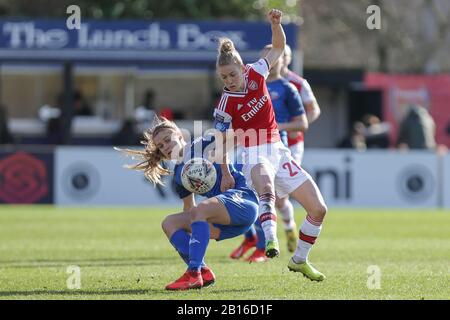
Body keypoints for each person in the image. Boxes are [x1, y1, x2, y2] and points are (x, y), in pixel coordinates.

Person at [213, 9, 328, 281]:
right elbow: (220, 142)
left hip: (279, 149)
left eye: (231, 74)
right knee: (266, 187)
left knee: (318, 209)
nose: (228, 81)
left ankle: (299, 259)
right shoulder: (225, 104)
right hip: (252, 152)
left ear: (242, 68)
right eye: (223, 78)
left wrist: (276, 24)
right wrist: (227, 173)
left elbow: (278, 47)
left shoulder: (256, 72)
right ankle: (270, 241)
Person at [116, 118, 258, 290]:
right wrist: (196, 235)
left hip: (244, 202)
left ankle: (192, 273)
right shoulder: (178, 176)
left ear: (180, 135)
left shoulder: (201, 144)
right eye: (161, 146)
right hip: (224, 222)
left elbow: (237, 136)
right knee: (169, 223)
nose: (166, 147)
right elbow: (189, 209)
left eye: (168, 140)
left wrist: (226, 171)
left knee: (201, 209)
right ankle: (202, 271)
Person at [230, 44, 308, 262]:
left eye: (274, 57)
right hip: (253, 148)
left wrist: (276, 128)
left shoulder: (289, 88)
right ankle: (262, 244)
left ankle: (289, 226)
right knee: (257, 193)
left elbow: (303, 123)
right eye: (265, 57)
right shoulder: (250, 85)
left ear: (283, 61)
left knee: (279, 200)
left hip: (277, 146)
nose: (270, 61)